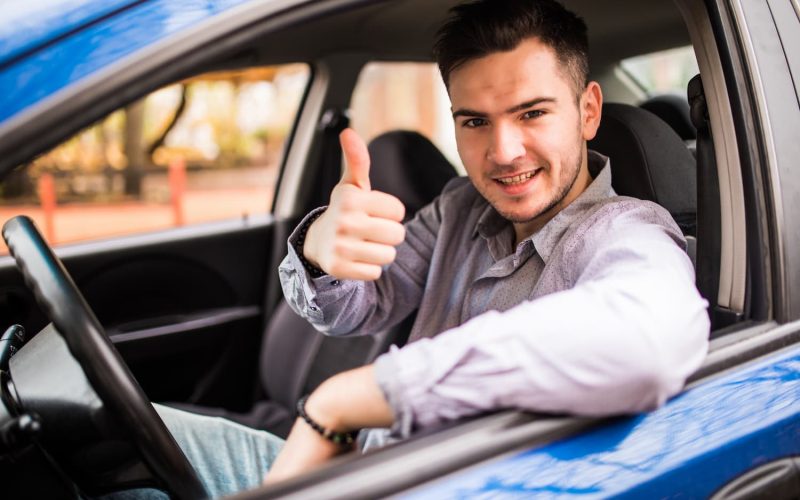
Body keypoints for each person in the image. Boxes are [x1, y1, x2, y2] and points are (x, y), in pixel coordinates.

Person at [131, 0, 709, 497]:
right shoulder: (460, 207)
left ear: (587, 111)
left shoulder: (626, 231)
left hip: (415, 480)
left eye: (532, 113)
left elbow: (650, 339)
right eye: (475, 121)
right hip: (358, 464)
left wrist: (353, 398)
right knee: (108, 434)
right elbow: (354, 309)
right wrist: (318, 251)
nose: (504, 151)